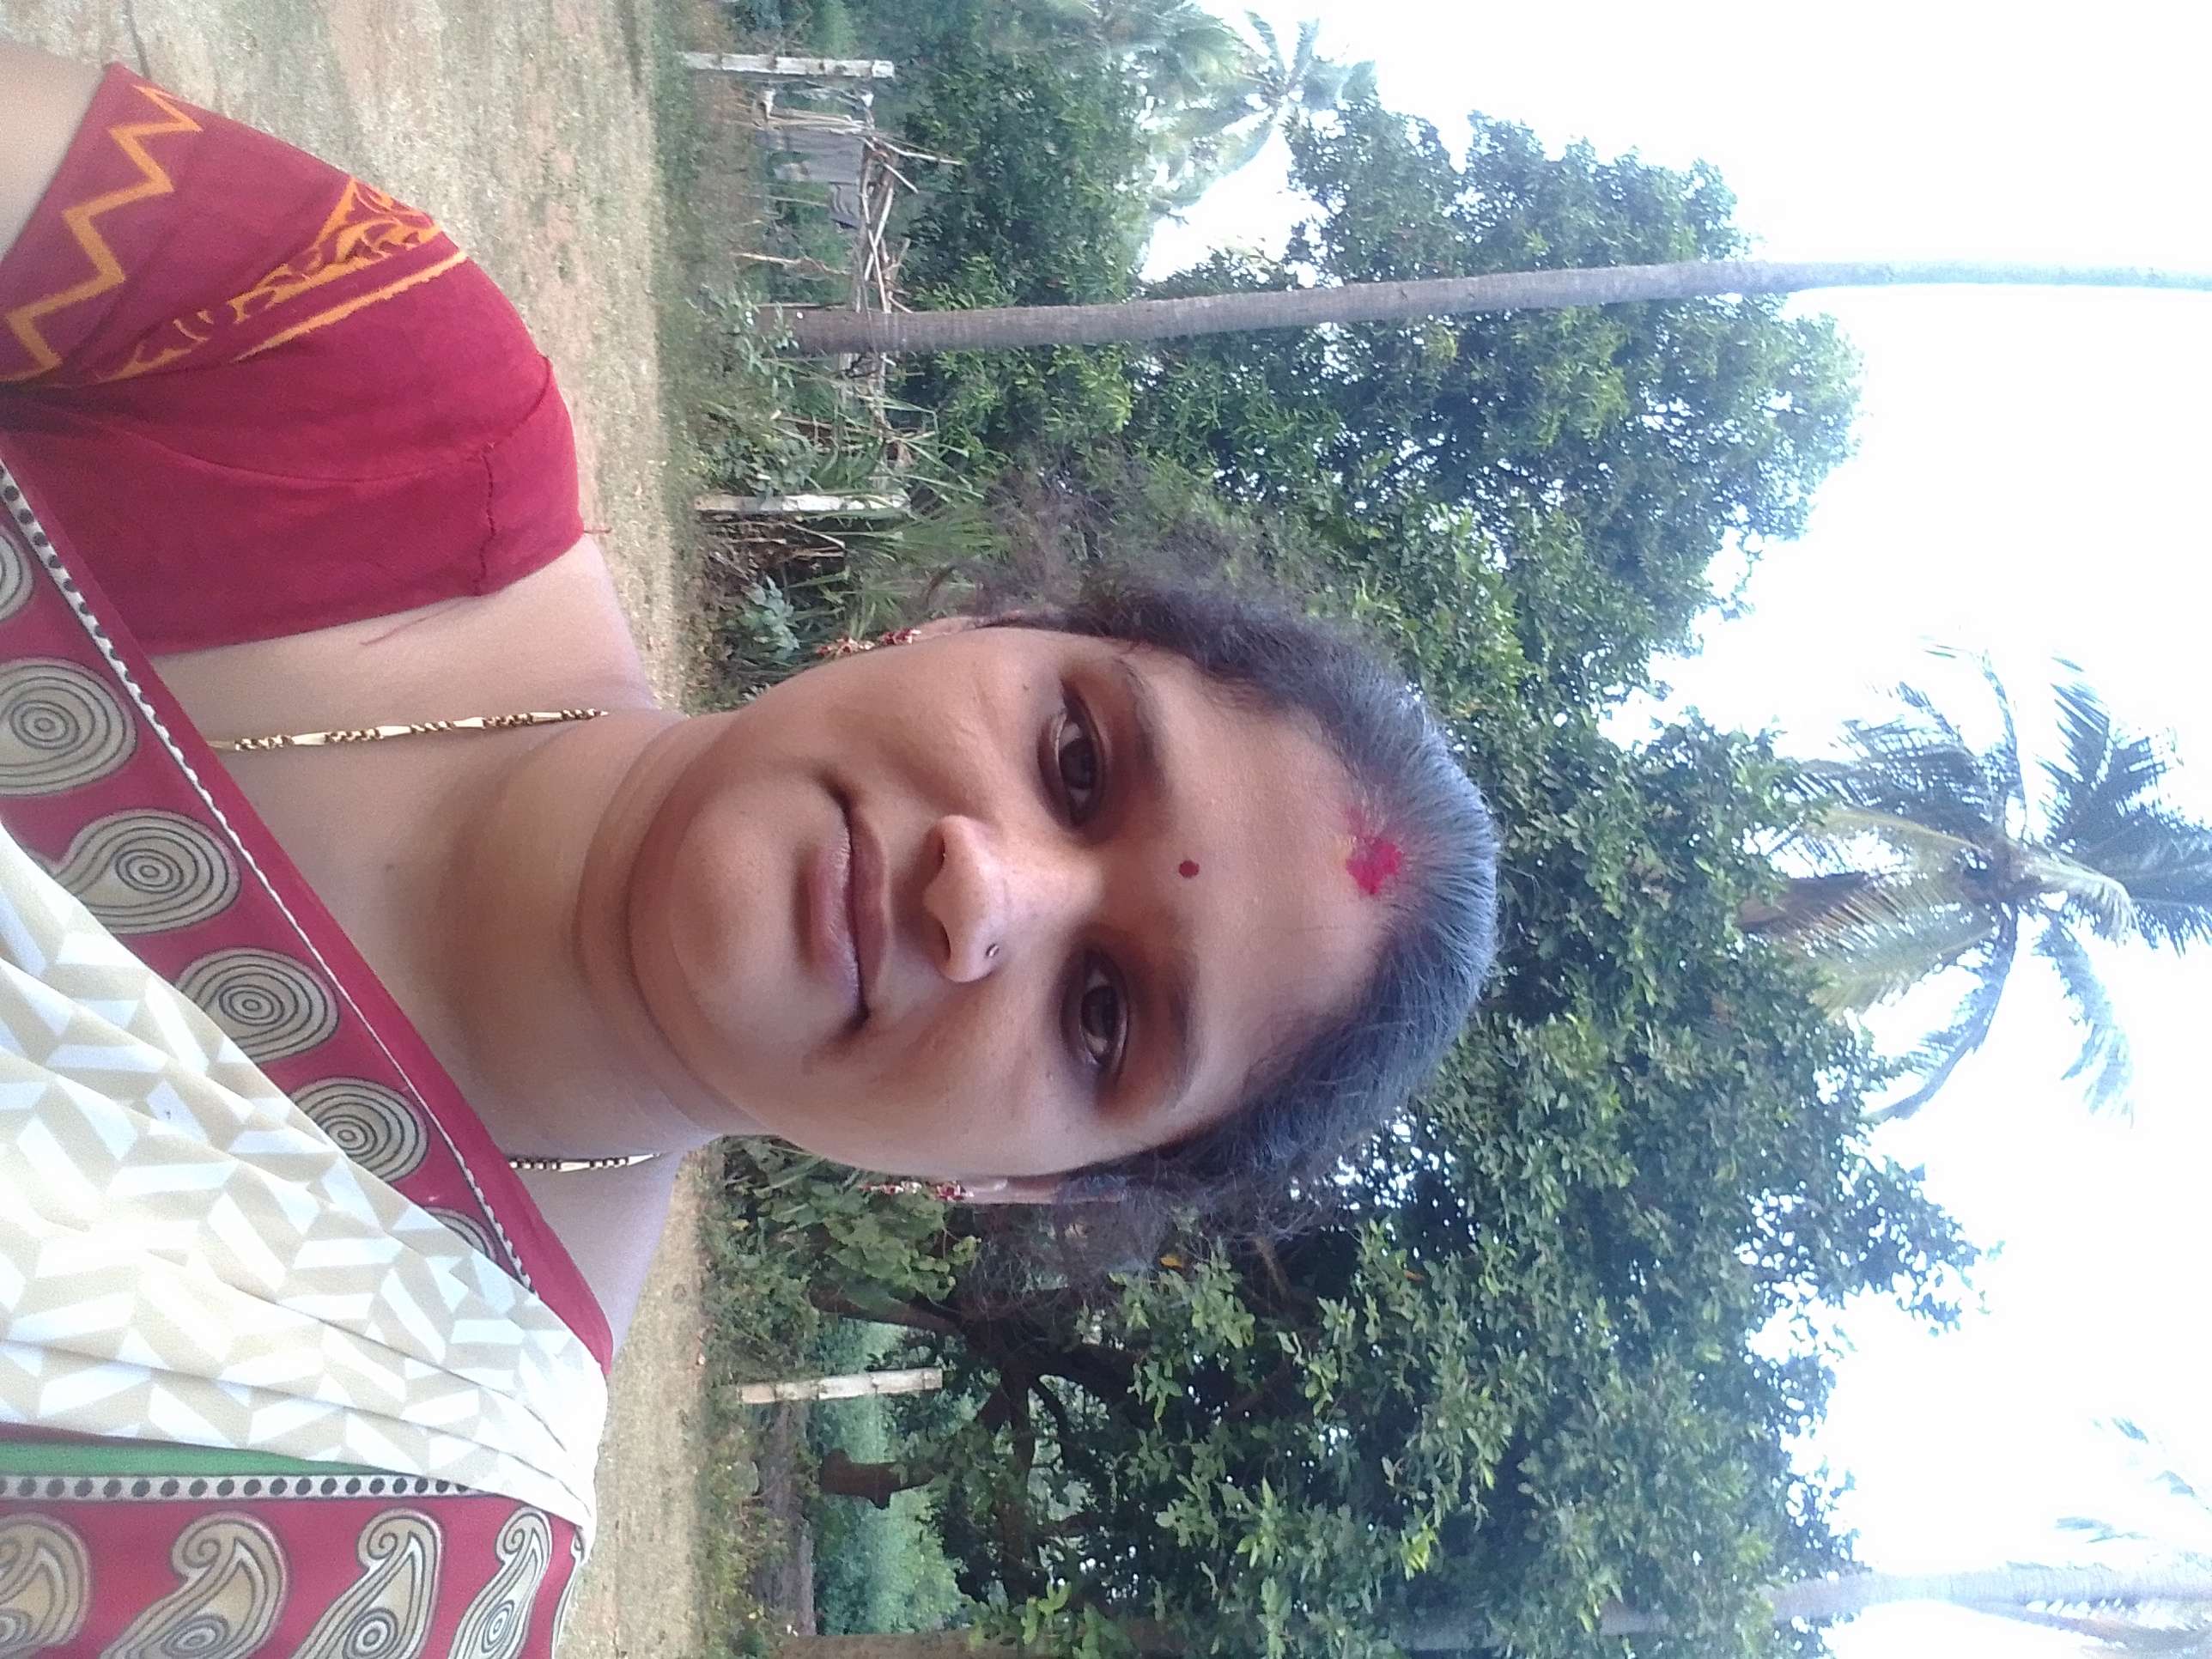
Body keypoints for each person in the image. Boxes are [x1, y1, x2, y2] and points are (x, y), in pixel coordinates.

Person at [0, 44, 1498, 1656]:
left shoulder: (396, 1551)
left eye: (1102, 1015)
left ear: (1009, 1182)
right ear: (969, 630)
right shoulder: (361, 372)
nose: (984, 887)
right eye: (1075, 758)